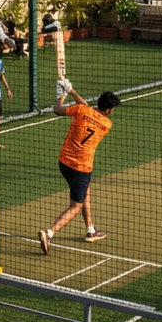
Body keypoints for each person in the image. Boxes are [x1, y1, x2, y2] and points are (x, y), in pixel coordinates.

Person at [37, 86, 121, 254]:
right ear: (109, 110)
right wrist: (71, 91)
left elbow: (58, 110)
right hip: (81, 168)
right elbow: (90, 112)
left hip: (64, 162)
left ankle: (91, 230)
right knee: (75, 206)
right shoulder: (106, 124)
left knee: (86, 193)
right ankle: (49, 233)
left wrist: (63, 94)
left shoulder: (82, 110)